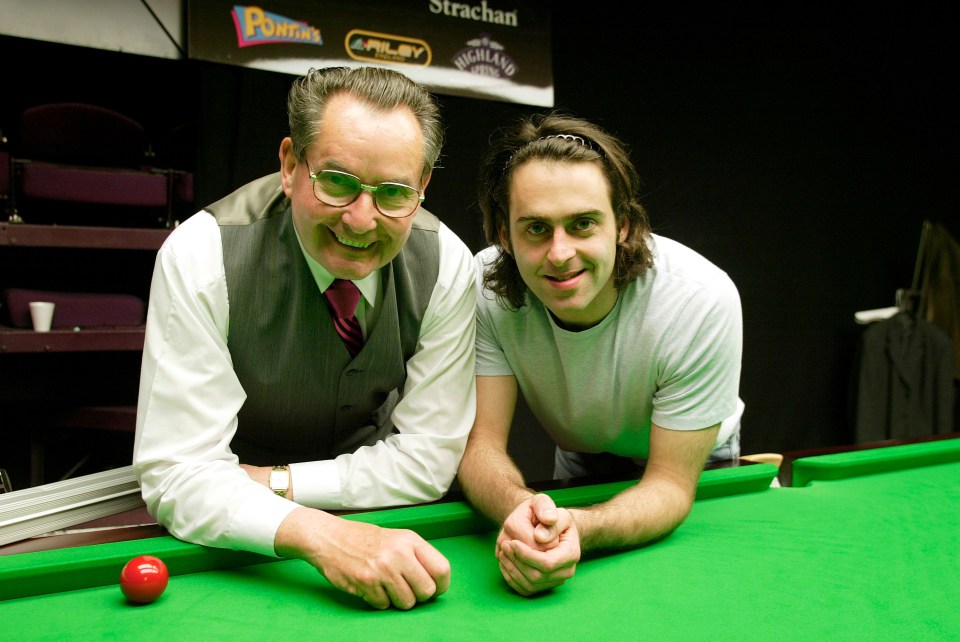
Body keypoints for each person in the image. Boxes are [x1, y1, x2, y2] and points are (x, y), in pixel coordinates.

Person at [132, 66, 477, 610]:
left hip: (372, 516)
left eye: (392, 192)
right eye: (337, 181)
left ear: (423, 186)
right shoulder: (201, 255)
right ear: (291, 165)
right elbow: (179, 473)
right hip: (235, 533)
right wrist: (324, 534)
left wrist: (275, 483)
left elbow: (426, 461)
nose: (362, 220)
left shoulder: (450, 266)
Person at [457, 112, 743, 596]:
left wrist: (576, 531)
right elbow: (479, 446)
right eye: (536, 229)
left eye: (583, 224)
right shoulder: (486, 290)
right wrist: (528, 515)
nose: (560, 253)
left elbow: (671, 487)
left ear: (623, 226)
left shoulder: (700, 300)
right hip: (582, 455)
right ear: (504, 235)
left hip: (694, 464)